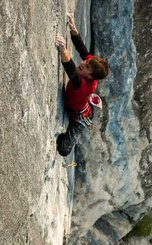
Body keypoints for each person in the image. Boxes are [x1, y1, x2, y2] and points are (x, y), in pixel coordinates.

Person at [55, 13, 109, 157]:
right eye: (86, 63)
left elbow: (71, 69)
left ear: (90, 76)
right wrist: (73, 27)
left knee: (64, 150)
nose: (83, 63)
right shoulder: (91, 66)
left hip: (79, 116)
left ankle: (92, 109)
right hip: (80, 105)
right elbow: (81, 48)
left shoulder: (84, 86)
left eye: (85, 67)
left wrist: (63, 49)